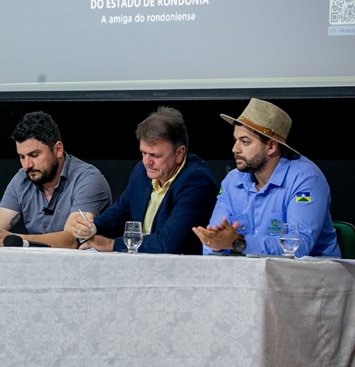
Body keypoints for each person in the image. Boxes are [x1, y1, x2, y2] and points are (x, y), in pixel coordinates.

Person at [193, 99, 340, 257]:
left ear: (271, 146)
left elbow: (297, 248)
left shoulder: (305, 179)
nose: (235, 149)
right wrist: (216, 245)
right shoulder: (233, 181)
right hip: (252, 276)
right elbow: (213, 241)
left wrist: (239, 242)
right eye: (235, 140)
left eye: (245, 142)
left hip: (312, 277)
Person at [66, 106, 218, 254]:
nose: (147, 162)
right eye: (143, 153)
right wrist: (90, 227)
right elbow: (119, 213)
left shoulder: (197, 182)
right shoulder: (141, 172)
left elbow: (167, 243)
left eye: (155, 155)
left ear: (179, 153)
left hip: (180, 272)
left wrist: (109, 244)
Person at [0, 111, 112, 247]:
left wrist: (13, 240)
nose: (27, 165)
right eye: (22, 157)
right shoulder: (22, 178)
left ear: (58, 149)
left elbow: (71, 241)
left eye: (34, 155)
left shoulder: (88, 179)